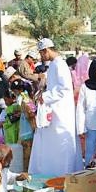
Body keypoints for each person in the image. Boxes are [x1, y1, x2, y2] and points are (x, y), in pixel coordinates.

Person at [29, 38, 82, 176]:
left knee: (61, 144)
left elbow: (64, 89)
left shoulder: (60, 64)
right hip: (54, 109)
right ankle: (52, 172)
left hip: (62, 112)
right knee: (52, 143)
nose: (41, 57)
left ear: (46, 50)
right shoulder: (53, 64)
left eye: (41, 53)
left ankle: (63, 174)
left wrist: (45, 97)